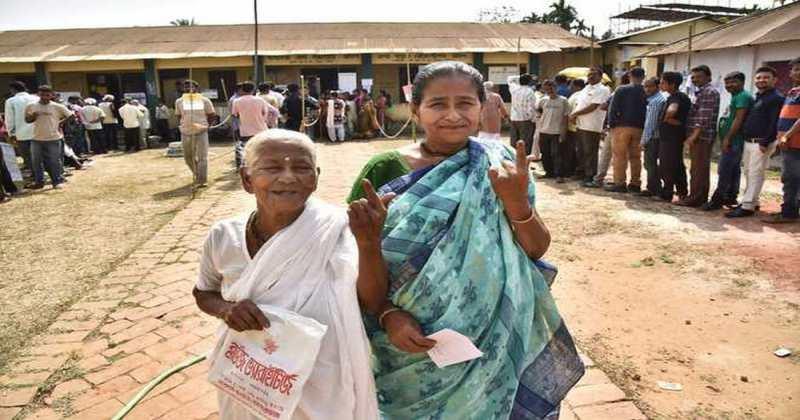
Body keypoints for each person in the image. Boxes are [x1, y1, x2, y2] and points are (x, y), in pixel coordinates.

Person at [347, 61, 582, 419]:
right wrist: (387, 314)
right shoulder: (384, 170)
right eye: (438, 104)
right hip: (406, 342)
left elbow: (534, 249)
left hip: (493, 333)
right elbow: (351, 263)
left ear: (482, 107)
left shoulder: (501, 164)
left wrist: (517, 202)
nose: (453, 115)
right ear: (416, 110)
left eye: (465, 103)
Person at [193, 129, 379, 420]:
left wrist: (369, 244)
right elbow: (203, 292)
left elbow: (371, 301)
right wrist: (226, 309)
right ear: (246, 179)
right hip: (248, 375)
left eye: (301, 168)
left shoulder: (340, 230)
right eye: (272, 167)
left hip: (322, 377)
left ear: (315, 178)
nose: (289, 177)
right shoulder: (223, 236)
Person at [726, 66, 785, 218]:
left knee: (755, 173)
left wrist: (765, 142)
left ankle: (747, 206)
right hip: (749, 141)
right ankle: (753, 201)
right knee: (749, 172)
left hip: (761, 143)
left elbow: (774, 122)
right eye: (758, 78)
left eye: (766, 77)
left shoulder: (776, 98)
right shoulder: (759, 96)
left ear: (774, 80)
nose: (761, 80)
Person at [703, 72, 753, 211]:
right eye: (727, 82)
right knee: (733, 170)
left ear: (742, 82)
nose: (729, 85)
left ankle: (717, 200)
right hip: (732, 139)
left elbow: (739, 119)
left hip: (734, 140)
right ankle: (731, 196)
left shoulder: (742, 97)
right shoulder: (736, 97)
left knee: (724, 170)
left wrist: (728, 138)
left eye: (733, 82)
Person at [764, 57, 800, 224]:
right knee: (791, 177)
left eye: (797, 69)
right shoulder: (793, 92)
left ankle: (789, 213)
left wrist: (786, 135)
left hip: (796, 143)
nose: (794, 72)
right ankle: (791, 209)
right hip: (787, 143)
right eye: (794, 69)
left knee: (791, 178)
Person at [678, 65, 720, 207]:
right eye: (693, 77)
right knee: (697, 168)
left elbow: (704, 117)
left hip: (702, 137)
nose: (695, 80)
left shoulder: (709, 92)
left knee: (699, 168)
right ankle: (697, 196)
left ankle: (696, 198)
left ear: (708, 77)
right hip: (698, 136)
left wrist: (694, 136)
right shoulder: (701, 92)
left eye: (699, 77)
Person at [606, 67, 647, 193]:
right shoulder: (646, 90)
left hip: (621, 126)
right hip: (640, 128)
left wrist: (610, 124)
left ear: (630, 75)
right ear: (643, 77)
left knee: (619, 156)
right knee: (636, 157)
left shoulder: (621, 89)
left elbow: (612, 108)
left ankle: (620, 183)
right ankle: (635, 183)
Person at [24, 85, 73, 189]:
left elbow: (71, 115)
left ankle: (56, 181)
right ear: (38, 94)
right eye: (42, 95)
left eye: (47, 95)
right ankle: (39, 182)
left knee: (54, 161)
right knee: (36, 161)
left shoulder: (57, 106)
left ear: (51, 95)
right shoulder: (31, 106)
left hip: (53, 138)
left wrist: (60, 123)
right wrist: (33, 116)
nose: (44, 97)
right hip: (36, 138)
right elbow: (27, 120)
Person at [570, 67, 611, 187]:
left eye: (594, 74)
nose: (590, 77)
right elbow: (580, 104)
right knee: (581, 150)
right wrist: (574, 116)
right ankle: (582, 172)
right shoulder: (586, 88)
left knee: (590, 152)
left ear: (600, 76)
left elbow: (593, 106)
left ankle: (590, 175)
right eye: (589, 75)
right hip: (581, 124)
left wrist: (575, 114)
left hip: (592, 125)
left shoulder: (603, 89)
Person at [175, 80, 216, 188]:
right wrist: (184, 124)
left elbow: (211, 114)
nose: (188, 89)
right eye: (186, 87)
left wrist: (207, 126)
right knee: (188, 157)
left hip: (201, 131)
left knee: (202, 157)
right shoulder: (179, 101)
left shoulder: (204, 100)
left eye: (191, 86)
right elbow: (179, 115)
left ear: (196, 88)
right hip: (186, 132)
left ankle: (202, 180)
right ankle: (197, 174)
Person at [657, 72, 691, 203]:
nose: (661, 84)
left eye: (663, 82)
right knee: (676, 164)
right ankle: (682, 191)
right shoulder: (677, 96)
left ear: (672, 84)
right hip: (673, 137)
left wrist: (667, 118)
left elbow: (672, 110)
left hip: (671, 138)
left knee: (667, 165)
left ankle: (668, 192)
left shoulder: (676, 97)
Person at [638, 77, 667, 198]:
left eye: (650, 86)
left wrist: (643, 141)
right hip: (657, 137)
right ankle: (653, 187)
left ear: (657, 86)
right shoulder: (656, 99)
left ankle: (655, 189)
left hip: (654, 137)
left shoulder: (656, 101)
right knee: (651, 164)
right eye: (645, 86)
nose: (647, 89)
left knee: (650, 164)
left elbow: (650, 123)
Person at [536, 79, 570, 182]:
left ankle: (559, 175)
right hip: (544, 131)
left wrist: (563, 133)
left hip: (557, 132)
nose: (549, 91)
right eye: (546, 89)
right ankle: (548, 172)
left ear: (555, 88)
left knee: (557, 154)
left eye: (551, 88)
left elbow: (565, 118)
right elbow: (538, 111)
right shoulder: (543, 100)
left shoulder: (563, 101)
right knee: (545, 153)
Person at [230, 81, 270, 167]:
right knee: (261, 150)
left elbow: (235, 114)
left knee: (246, 150)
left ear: (242, 89)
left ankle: (247, 166)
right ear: (253, 89)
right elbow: (265, 113)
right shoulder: (260, 100)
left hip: (245, 130)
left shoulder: (236, 101)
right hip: (261, 129)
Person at [4, 81, 37, 172]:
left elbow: (9, 119)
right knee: (41, 155)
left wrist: (11, 133)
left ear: (13, 90)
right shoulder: (36, 98)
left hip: (22, 134)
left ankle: (36, 176)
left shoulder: (11, 101)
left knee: (28, 156)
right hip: (39, 132)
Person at [507, 73, 537, 154]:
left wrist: (520, 77)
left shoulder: (514, 89)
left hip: (514, 119)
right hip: (525, 120)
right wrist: (533, 119)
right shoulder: (530, 92)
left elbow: (509, 78)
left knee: (514, 142)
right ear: (530, 82)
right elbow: (530, 108)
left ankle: (514, 160)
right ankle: (523, 162)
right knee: (525, 143)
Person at [566, 79, 585, 179]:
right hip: (573, 127)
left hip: (575, 127)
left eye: (572, 85)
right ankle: (574, 170)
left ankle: (579, 171)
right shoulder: (575, 95)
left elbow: (575, 111)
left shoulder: (579, 95)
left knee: (577, 151)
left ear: (577, 86)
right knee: (574, 150)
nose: (570, 88)